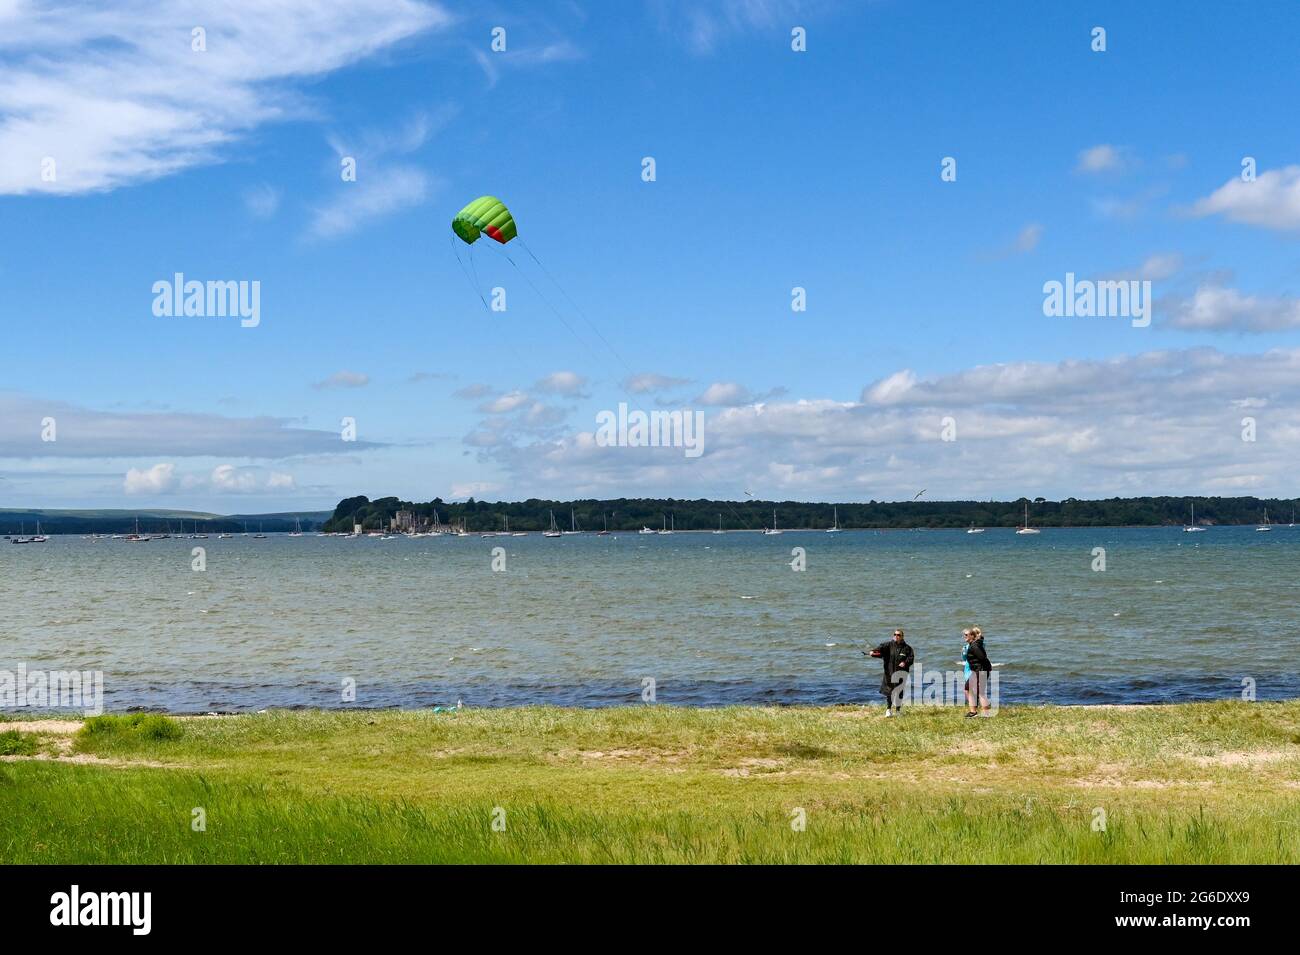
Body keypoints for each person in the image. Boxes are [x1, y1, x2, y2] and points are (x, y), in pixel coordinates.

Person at [868, 629, 914, 717]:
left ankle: (898, 711)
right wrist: (873, 651)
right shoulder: (888, 645)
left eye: (898, 635)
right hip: (889, 673)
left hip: (901, 674)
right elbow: (879, 650)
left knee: (899, 692)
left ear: (902, 637)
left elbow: (911, 659)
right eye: (895, 634)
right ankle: (888, 710)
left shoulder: (907, 648)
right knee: (889, 692)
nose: (896, 636)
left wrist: (905, 663)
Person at [965, 626, 993, 716]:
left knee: (980, 692)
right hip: (976, 670)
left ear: (972, 636)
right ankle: (973, 712)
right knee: (967, 688)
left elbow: (982, 658)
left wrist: (983, 671)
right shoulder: (973, 644)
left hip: (980, 671)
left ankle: (986, 713)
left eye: (966, 635)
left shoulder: (975, 645)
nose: (964, 636)